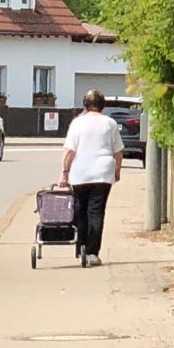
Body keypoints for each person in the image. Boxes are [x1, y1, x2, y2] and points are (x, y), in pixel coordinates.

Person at [58, 89, 124, 267]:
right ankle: (93, 253)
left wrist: (64, 173)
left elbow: (69, 151)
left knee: (80, 212)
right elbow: (118, 152)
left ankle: (81, 250)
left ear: (85, 105)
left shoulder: (77, 123)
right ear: (102, 105)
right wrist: (117, 171)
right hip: (103, 173)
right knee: (96, 212)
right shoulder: (109, 123)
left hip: (80, 173)